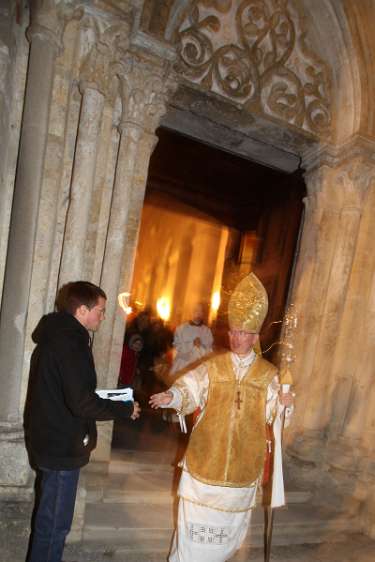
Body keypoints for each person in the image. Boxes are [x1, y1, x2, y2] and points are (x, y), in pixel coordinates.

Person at [150, 273, 294, 562]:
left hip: (242, 467)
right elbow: (190, 389)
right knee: (191, 532)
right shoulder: (213, 367)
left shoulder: (269, 376)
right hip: (205, 460)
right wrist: (172, 397)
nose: (236, 337)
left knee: (226, 538)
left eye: (243, 333)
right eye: (233, 331)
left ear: (254, 337)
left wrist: (285, 404)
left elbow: (278, 416)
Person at [24, 281, 141, 562]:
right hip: (61, 445)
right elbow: (81, 402)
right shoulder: (70, 342)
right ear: (81, 310)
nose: (103, 316)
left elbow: (68, 393)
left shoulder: (58, 336)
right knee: (55, 526)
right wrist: (124, 409)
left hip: (50, 438)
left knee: (49, 521)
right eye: (99, 310)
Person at [171, 302, 213, 374]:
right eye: (196, 310)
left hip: (199, 368)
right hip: (182, 366)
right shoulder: (181, 329)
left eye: (201, 311)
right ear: (191, 312)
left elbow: (209, 350)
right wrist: (192, 344)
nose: (198, 313)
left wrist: (201, 346)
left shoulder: (207, 331)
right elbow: (178, 348)